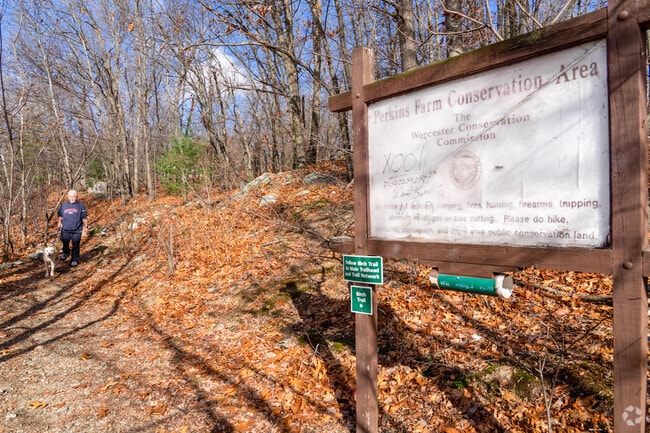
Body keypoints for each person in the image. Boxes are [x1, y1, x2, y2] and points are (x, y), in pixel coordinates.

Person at [57, 189, 88, 267]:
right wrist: (59, 223)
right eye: (70, 196)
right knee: (65, 242)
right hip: (65, 229)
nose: (72, 198)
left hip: (76, 229)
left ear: (76, 197)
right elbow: (60, 216)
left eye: (73, 196)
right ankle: (66, 252)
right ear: (68, 196)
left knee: (76, 245)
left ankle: (75, 259)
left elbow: (84, 218)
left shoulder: (81, 206)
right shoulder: (63, 205)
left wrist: (86, 227)